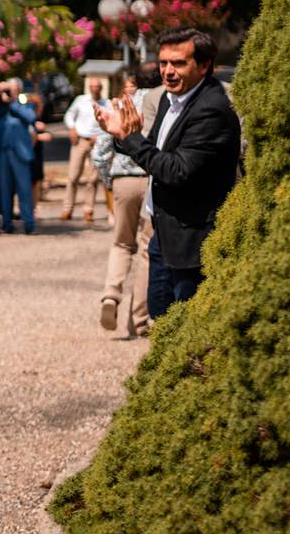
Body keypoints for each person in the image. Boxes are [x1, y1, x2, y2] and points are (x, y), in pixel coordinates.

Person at [97, 27, 240, 321]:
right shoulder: (170, 98)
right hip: (164, 230)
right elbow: (156, 151)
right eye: (164, 63)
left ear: (204, 65)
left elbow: (176, 170)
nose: (168, 72)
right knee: (161, 316)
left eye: (178, 63)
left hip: (194, 238)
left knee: (187, 325)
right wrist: (123, 136)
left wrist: (131, 138)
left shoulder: (210, 109)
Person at [93, 69, 157, 337]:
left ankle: (111, 295)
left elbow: (100, 153)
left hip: (123, 180)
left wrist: (109, 181)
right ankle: (139, 319)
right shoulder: (159, 101)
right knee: (146, 249)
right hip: (151, 177)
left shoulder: (116, 105)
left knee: (121, 243)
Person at [0, 79, 38, 234]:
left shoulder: (22, 101)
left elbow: (31, 116)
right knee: (4, 189)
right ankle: (6, 223)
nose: (10, 92)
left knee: (24, 189)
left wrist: (13, 102)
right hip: (2, 152)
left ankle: (29, 223)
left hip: (20, 152)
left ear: (19, 90)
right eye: (9, 90)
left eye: (13, 89)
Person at [61, 77, 112, 222]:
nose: (94, 89)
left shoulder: (106, 104)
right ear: (89, 88)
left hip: (97, 142)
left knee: (92, 179)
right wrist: (72, 128)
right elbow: (69, 115)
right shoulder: (80, 100)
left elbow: (109, 123)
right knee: (73, 176)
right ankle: (67, 208)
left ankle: (88, 210)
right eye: (92, 87)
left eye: (97, 87)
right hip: (80, 140)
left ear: (101, 88)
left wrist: (100, 135)